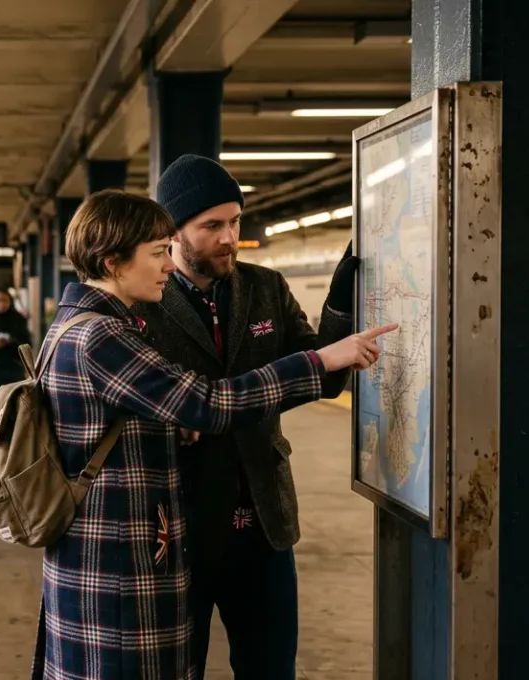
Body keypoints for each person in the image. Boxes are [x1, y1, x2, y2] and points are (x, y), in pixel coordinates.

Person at [33, 189, 394, 680]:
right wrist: (318, 360)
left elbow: (136, 407)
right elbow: (208, 401)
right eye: (159, 252)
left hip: (212, 531)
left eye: (236, 222)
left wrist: (169, 420)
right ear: (113, 261)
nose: (167, 265)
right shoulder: (103, 333)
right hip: (132, 550)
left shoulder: (89, 323)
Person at [134, 155, 360, 679]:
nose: (228, 237)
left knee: (271, 667)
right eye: (211, 225)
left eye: (234, 221)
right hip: (177, 527)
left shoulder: (265, 288)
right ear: (172, 232)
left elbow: (323, 375)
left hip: (262, 524)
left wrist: (341, 306)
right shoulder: (143, 302)